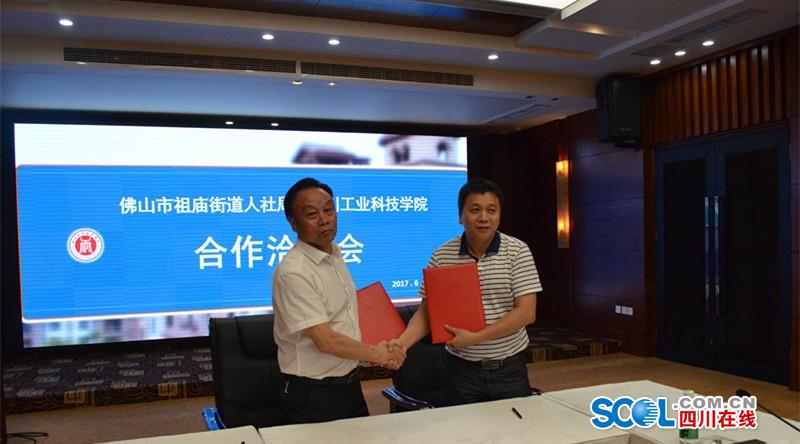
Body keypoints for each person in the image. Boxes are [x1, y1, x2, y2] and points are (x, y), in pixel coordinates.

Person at [392, 178, 542, 406]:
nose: (483, 217)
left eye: (491, 210)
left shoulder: (518, 251)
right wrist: (401, 344)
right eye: (474, 210)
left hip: (509, 368)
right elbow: (427, 312)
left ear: (499, 216)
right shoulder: (442, 255)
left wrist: (476, 338)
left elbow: (526, 312)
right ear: (460, 216)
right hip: (461, 371)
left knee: (513, 426)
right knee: (462, 427)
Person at [272, 177, 404, 423]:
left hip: (349, 382)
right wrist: (379, 354)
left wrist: (385, 345)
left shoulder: (335, 253)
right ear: (293, 222)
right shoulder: (294, 272)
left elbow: (343, 318)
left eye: (329, 210)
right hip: (313, 392)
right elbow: (326, 340)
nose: (324, 220)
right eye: (312, 214)